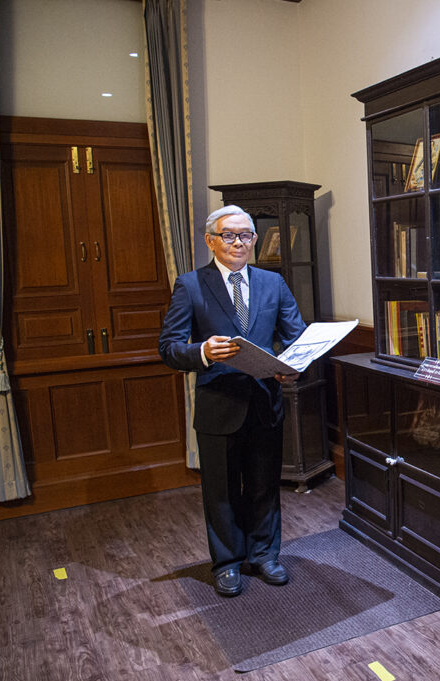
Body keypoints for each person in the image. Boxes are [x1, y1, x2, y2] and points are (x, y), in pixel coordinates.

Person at [158, 205, 306, 597]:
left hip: (264, 402)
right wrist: (203, 351)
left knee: (263, 485)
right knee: (221, 491)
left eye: (246, 235)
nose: (238, 242)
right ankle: (226, 563)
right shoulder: (190, 285)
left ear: (254, 240)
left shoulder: (273, 283)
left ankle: (264, 555)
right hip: (218, 405)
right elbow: (168, 349)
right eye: (229, 235)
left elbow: (296, 337)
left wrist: (293, 366)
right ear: (211, 241)